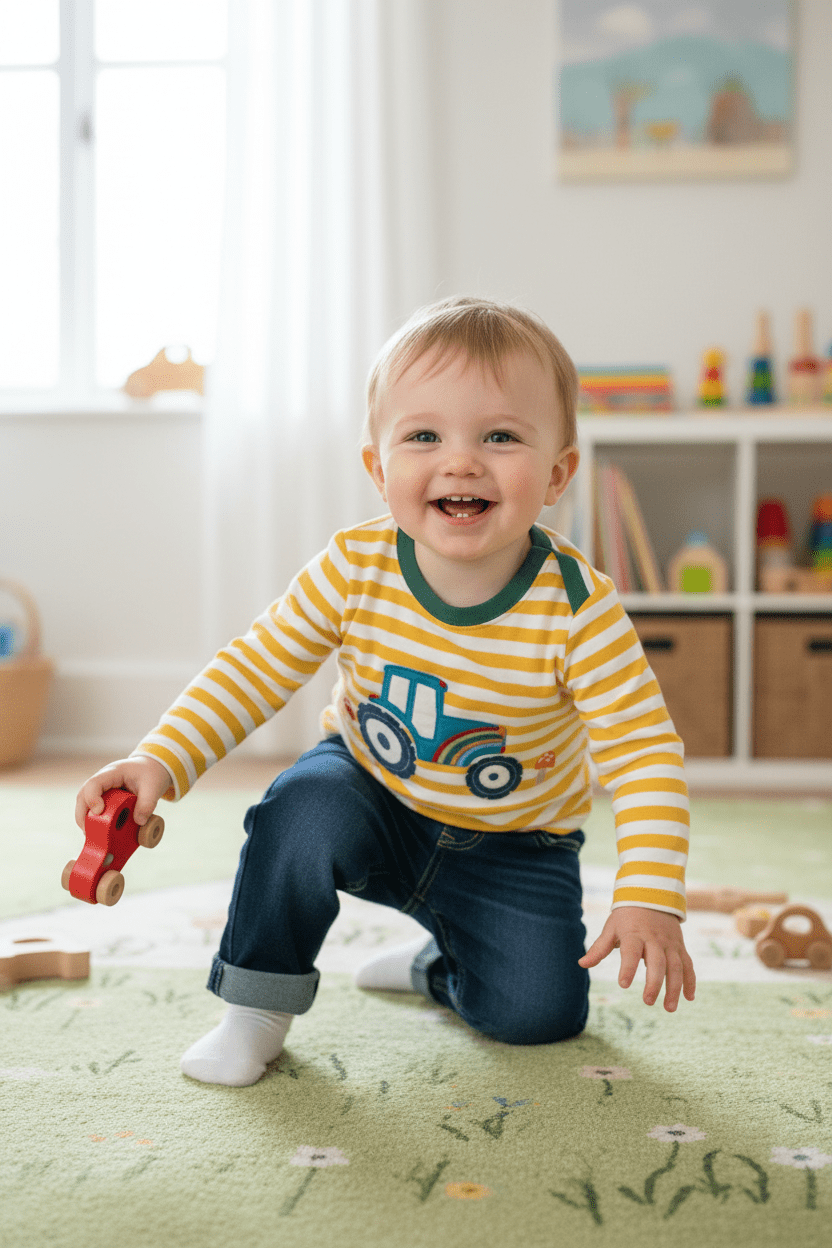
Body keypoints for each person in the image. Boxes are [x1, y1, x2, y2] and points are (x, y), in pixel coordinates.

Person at [75, 296, 695, 1087]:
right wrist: (161, 758)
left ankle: (443, 964)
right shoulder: (355, 566)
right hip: (371, 791)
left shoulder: (579, 609)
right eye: (424, 436)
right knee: (298, 812)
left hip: (516, 845)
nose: (461, 461)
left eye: (500, 436)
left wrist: (649, 895)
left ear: (558, 474)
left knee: (541, 1016)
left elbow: (643, 754)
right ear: (379, 467)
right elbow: (256, 665)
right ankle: (256, 1008)